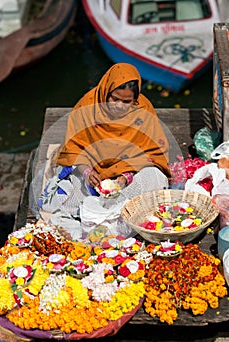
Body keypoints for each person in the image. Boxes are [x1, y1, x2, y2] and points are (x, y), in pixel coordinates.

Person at [36, 63, 171, 231]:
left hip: (130, 173)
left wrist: (126, 176)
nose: (119, 105)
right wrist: (86, 172)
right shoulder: (87, 106)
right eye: (115, 99)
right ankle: (115, 212)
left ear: (135, 99)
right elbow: (75, 147)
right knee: (68, 197)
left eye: (127, 101)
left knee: (155, 177)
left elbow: (151, 152)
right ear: (106, 91)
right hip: (94, 173)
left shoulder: (143, 110)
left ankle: (119, 210)